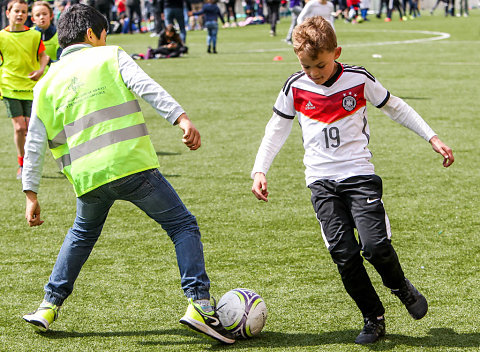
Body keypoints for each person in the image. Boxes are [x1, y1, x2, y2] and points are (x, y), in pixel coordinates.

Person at [21, 4, 235, 345]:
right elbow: (148, 88)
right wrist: (181, 119)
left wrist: (30, 193)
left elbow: (33, 143)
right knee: (182, 225)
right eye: (104, 34)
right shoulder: (109, 56)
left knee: (81, 236)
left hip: (88, 178)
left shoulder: (46, 83)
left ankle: (48, 305)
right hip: (132, 166)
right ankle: (200, 303)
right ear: (92, 34)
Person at [251, 16, 454, 345]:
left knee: (374, 247)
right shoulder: (294, 87)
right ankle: (373, 317)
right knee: (343, 254)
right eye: (306, 67)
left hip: (359, 176)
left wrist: (431, 137)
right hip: (321, 183)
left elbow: (396, 107)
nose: (314, 74)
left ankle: (400, 286)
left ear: (336, 52)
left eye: (319, 65)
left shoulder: (358, 79)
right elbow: (276, 130)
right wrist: (260, 169)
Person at [0, 0, 49, 179]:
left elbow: (43, 56)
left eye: (24, 12)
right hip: (9, 86)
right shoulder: (1, 36)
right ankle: (22, 163)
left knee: (29, 127)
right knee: (20, 127)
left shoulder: (34, 36)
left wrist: (40, 70)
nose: (20, 15)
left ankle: (29, 162)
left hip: (30, 86)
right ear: (8, 13)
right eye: (16, 11)